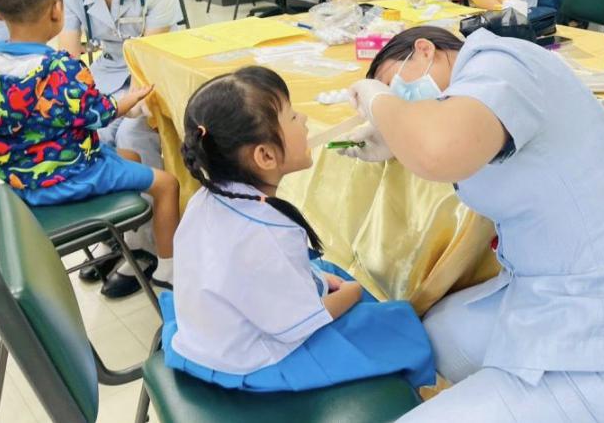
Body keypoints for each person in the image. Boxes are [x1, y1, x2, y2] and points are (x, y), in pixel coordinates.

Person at [341, 26, 604, 422]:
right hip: (567, 295)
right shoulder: (474, 103)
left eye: (395, 85)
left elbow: (439, 150)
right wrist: (397, 138)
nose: (402, 101)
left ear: (426, 50)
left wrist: (379, 101)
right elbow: (458, 144)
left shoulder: (503, 63)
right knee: (436, 335)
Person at [159, 66, 434, 392]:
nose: (303, 120)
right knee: (401, 326)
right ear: (265, 155)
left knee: (331, 272)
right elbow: (302, 323)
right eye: (291, 117)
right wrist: (351, 293)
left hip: (209, 338)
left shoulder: (207, 198)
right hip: (254, 364)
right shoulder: (267, 236)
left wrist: (318, 279)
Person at [0, 0, 179, 288]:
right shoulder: (61, 70)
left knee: (129, 155)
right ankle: (169, 274)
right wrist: (130, 100)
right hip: (70, 177)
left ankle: (126, 241)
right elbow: (99, 114)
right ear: (57, 10)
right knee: (167, 184)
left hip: (19, 185)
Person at [57, 0, 183, 297]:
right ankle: (115, 233)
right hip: (107, 72)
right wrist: (79, 102)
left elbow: (152, 55)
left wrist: (125, 106)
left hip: (150, 75)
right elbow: (68, 54)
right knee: (92, 135)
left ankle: (145, 246)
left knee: (132, 136)